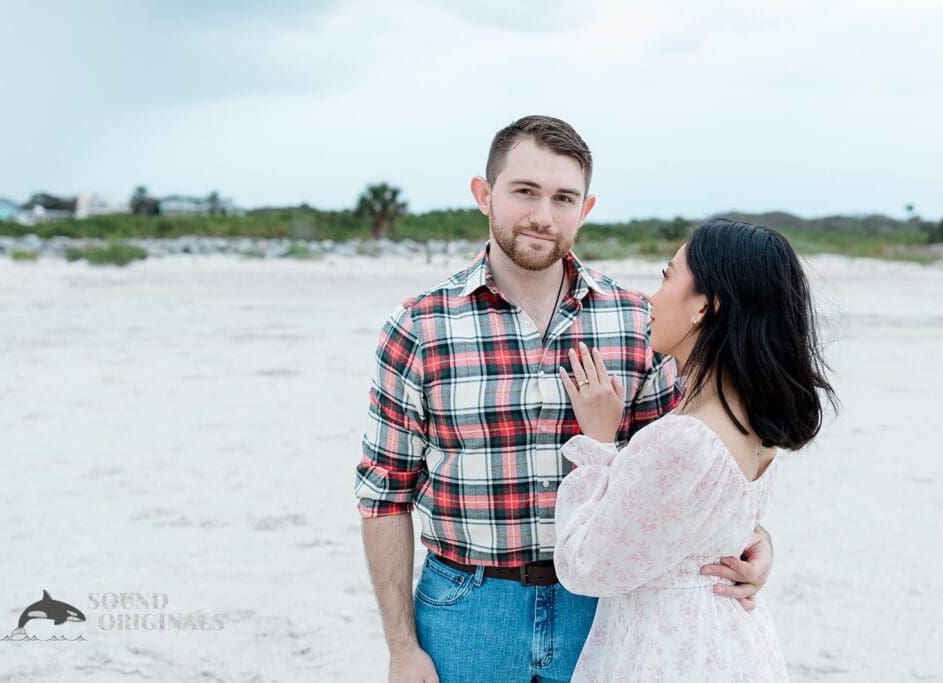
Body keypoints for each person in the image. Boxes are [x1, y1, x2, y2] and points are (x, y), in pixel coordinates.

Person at [355, 116, 774, 683]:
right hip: (467, 607)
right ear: (484, 194)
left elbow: (691, 469)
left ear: (587, 207)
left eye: (563, 198)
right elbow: (384, 495)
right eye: (524, 192)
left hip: (608, 605)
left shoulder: (638, 323)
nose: (543, 216)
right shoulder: (419, 327)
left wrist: (755, 540)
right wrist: (401, 648)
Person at [554, 218, 837, 681]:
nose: (651, 296)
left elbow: (584, 567)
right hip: (731, 644)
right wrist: (761, 543)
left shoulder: (680, 439)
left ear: (704, 307)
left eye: (667, 277)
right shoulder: (757, 425)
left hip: (666, 651)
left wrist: (599, 444)